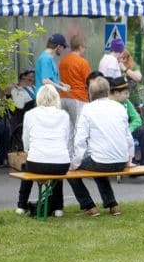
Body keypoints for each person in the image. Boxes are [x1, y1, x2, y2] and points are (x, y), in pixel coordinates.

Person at [69, 77, 134, 218]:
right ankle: (112, 204)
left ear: (90, 93)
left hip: (100, 161)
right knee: (98, 163)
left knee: (71, 173)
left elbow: (80, 140)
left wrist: (75, 163)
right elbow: (128, 137)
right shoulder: (119, 107)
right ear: (108, 91)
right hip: (121, 161)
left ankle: (89, 206)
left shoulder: (87, 109)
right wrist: (129, 159)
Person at [16, 85, 72, 218]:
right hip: (61, 162)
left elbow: (25, 139)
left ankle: (21, 205)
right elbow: (67, 139)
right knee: (57, 173)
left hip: (36, 162)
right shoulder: (64, 115)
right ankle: (58, 208)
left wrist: (28, 151)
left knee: (27, 169)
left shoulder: (30, 114)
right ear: (56, 98)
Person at [106, 76, 144, 168]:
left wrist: (129, 129)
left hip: (127, 130)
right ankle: (131, 162)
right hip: (113, 132)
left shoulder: (126, 102)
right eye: (125, 93)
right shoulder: (108, 103)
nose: (128, 96)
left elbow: (137, 119)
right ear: (116, 93)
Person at [58, 34, 92, 131]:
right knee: (80, 129)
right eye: (84, 47)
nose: (84, 49)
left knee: (67, 130)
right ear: (80, 46)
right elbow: (89, 82)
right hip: (78, 98)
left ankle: (67, 147)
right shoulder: (82, 62)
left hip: (63, 97)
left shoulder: (63, 61)